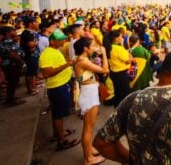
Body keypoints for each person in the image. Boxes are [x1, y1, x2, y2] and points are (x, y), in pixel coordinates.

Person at [39, 29, 80, 151]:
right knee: (58, 115)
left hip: (61, 85)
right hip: (57, 87)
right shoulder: (47, 54)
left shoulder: (54, 50)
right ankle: (61, 141)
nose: (64, 40)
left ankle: (57, 134)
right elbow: (46, 73)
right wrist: (67, 64)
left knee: (57, 113)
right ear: (52, 41)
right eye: (61, 39)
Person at [73, 37, 109, 165]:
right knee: (88, 128)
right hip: (88, 95)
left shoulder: (82, 59)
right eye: (92, 46)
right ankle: (88, 158)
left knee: (90, 127)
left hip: (89, 93)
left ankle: (89, 150)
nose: (94, 48)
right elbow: (105, 70)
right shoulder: (83, 61)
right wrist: (104, 53)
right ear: (85, 48)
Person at [0, 26, 25, 106]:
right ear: (7, 33)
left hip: (8, 64)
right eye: (13, 31)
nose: (15, 32)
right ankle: (10, 100)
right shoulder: (8, 42)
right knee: (13, 82)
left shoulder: (4, 41)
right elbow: (13, 54)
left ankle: (10, 98)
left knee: (12, 82)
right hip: (11, 64)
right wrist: (21, 61)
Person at [104, 30, 132, 107]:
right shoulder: (118, 49)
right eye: (120, 37)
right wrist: (130, 56)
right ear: (116, 38)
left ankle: (117, 110)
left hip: (114, 73)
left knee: (118, 94)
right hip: (121, 74)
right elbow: (128, 61)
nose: (122, 38)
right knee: (124, 95)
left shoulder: (109, 47)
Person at [20, 16, 41, 95]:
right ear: (30, 24)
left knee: (33, 71)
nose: (37, 23)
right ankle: (30, 89)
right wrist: (37, 42)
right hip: (29, 56)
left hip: (34, 55)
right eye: (35, 22)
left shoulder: (31, 32)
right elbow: (31, 44)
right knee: (30, 72)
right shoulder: (27, 33)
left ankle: (33, 85)